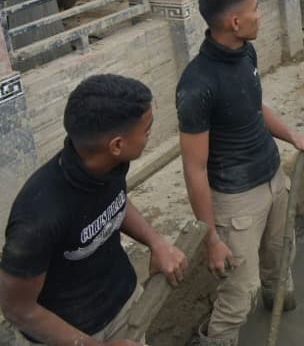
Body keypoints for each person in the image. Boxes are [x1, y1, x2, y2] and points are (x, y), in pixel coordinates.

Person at [177, 0, 304, 344]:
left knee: (281, 261)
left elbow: (254, 105)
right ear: (234, 21)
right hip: (236, 203)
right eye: (255, 8)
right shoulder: (197, 85)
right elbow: (194, 169)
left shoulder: (245, 51)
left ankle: (283, 317)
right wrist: (211, 238)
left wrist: (295, 137)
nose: (261, 15)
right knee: (239, 294)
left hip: (273, 178)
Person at [0, 75, 186, 346]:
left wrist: (157, 242)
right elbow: (18, 310)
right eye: (146, 130)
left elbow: (114, 203)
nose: (150, 135)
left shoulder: (107, 165)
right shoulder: (37, 219)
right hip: (71, 333)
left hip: (124, 306)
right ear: (117, 145)